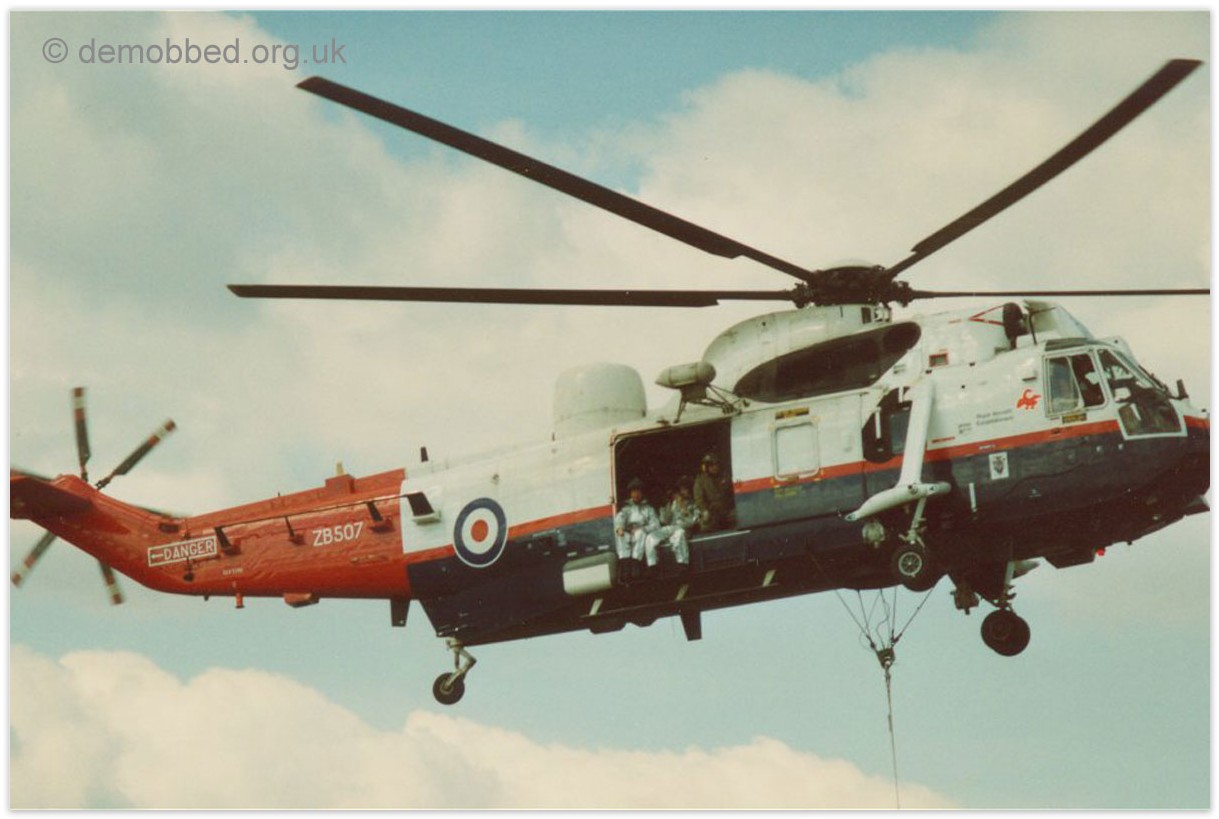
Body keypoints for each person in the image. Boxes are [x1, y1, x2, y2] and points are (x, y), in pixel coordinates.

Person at [644, 476, 699, 572]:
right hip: (670, 528)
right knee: (651, 537)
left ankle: (682, 565)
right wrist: (667, 505)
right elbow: (664, 520)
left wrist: (684, 509)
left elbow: (693, 521)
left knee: (679, 534)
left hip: (683, 529)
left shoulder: (693, 504)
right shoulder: (673, 504)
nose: (682, 492)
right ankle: (652, 566)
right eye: (681, 489)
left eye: (685, 489)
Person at [614, 477, 658, 581]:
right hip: (629, 533)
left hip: (641, 535)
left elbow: (655, 524)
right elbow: (620, 518)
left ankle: (635, 566)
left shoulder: (648, 508)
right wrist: (620, 528)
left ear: (642, 493)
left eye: (638, 492)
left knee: (640, 533)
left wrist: (643, 528)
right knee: (621, 535)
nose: (636, 494)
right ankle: (625, 567)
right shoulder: (626, 508)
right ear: (630, 494)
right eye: (633, 492)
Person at [694, 452, 735, 532]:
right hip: (712, 512)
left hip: (727, 510)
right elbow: (699, 499)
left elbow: (732, 492)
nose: (715, 467)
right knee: (705, 526)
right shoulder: (701, 480)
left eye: (716, 464)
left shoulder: (725, 476)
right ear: (706, 467)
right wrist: (704, 510)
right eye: (711, 465)